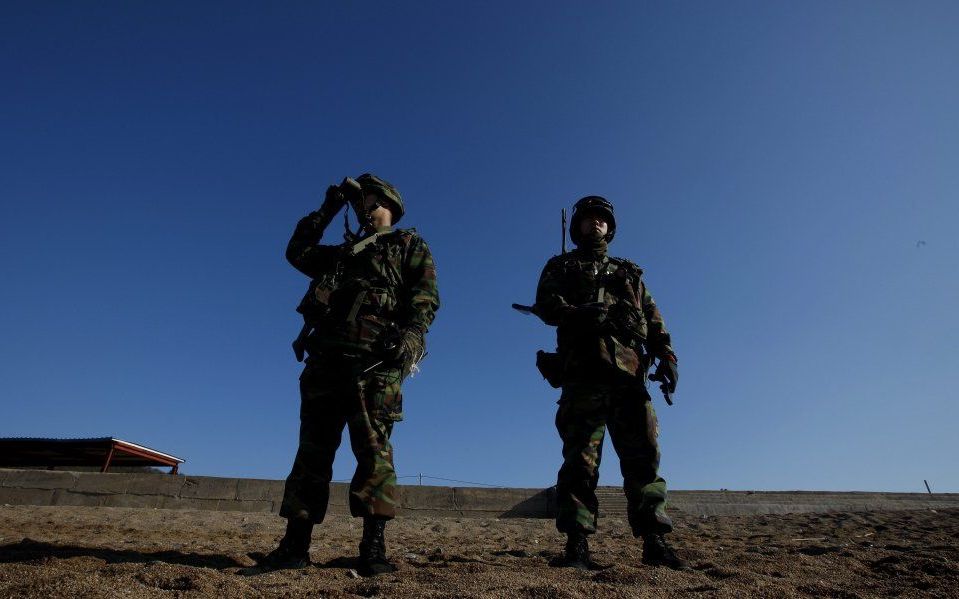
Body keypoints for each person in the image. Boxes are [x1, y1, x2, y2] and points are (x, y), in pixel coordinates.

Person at [249, 174, 439, 576]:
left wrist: (410, 336)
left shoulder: (408, 245)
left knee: (374, 456)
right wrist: (328, 208)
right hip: (325, 364)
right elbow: (297, 252)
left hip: (374, 364)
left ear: (390, 206)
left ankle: (372, 550)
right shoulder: (341, 254)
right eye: (361, 204)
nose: (365, 210)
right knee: (311, 456)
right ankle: (294, 546)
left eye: (372, 203)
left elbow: (424, 300)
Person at [533, 196, 685, 570]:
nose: (596, 223)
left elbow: (652, 318)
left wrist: (667, 356)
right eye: (589, 218)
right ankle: (577, 545)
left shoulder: (629, 272)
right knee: (580, 464)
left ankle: (655, 540)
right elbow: (545, 306)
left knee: (643, 459)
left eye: (602, 219)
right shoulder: (561, 266)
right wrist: (577, 313)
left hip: (628, 376)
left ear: (610, 227)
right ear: (578, 226)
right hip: (583, 374)